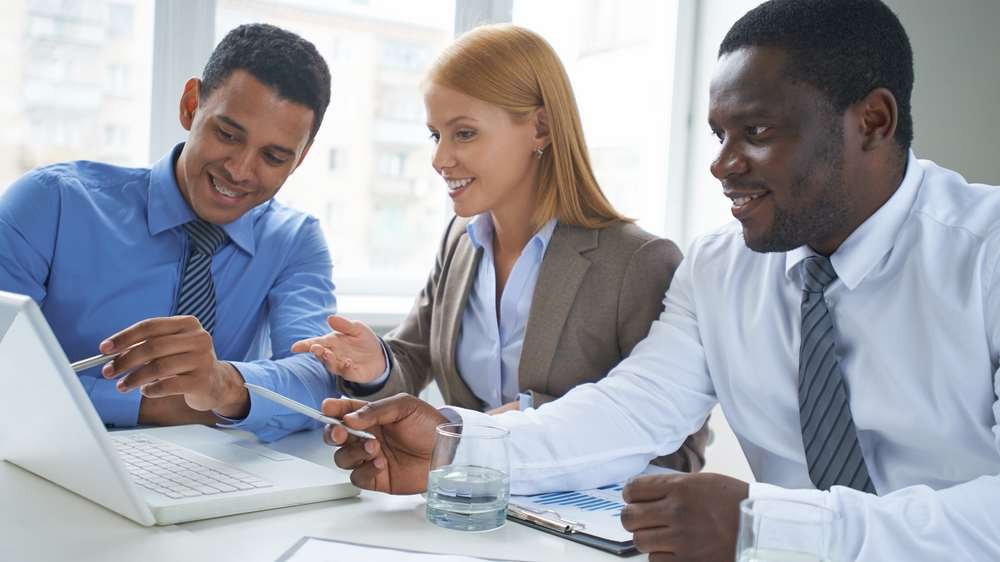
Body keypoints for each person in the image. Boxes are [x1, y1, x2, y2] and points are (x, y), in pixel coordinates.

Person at [321, 1, 1000, 560]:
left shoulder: (987, 255)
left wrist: (770, 525)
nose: (723, 166)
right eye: (717, 136)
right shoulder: (718, 270)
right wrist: (454, 442)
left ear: (872, 122)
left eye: (755, 132)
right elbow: (627, 412)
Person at [291, 24, 708, 471]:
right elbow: (412, 359)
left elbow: (677, 448)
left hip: (574, 528)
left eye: (464, 133)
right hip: (463, 502)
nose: (440, 158)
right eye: (436, 135)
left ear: (540, 128)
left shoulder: (637, 263)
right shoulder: (460, 239)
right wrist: (375, 367)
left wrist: (522, 421)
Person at [0, 24, 340, 442]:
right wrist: (151, 405)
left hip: (202, 485)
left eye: (273, 156)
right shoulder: (51, 204)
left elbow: (317, 382)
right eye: (228, 134)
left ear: (300, 159)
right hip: (42, 457)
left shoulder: (294, 241)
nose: (239, 171)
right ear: (190, 105)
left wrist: (222, 386)